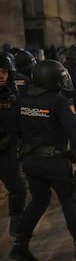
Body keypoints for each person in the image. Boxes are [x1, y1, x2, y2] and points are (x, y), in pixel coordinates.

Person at [8, 60, 76, 261]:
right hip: (54, 162)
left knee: (38, 200)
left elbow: (11, 127)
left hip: (31, 161)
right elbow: (74, 132)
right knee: (68, 198)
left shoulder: (22, 100)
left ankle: (20, 245)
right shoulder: (58, 101)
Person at [0, 52, 26, 237]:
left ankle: (16, 224)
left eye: (4, 71)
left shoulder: (11, 94)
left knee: (18, 189)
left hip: (6, 151)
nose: (1, 75)